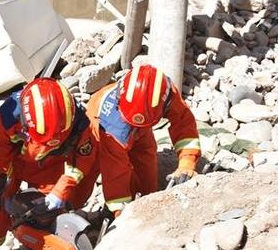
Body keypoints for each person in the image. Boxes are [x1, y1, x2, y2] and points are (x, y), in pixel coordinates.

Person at [0, 78, 99, 250]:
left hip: (51, 164)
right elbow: (1, 156)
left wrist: (60, 191)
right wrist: (3, 188)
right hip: (16, 162)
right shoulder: (8, 118)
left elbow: (82, 160)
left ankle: (42, 234)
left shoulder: (79, 122)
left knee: (52, 206)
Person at [85, 64, 201, 217]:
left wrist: (187, 162)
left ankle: (148, 201)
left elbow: (184, 124)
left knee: (146, 167)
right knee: (95, 172)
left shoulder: (164, 93)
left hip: (140, 124)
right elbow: (115, 174)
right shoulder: (110, 127)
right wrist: (121, 212)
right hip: (106, 125)